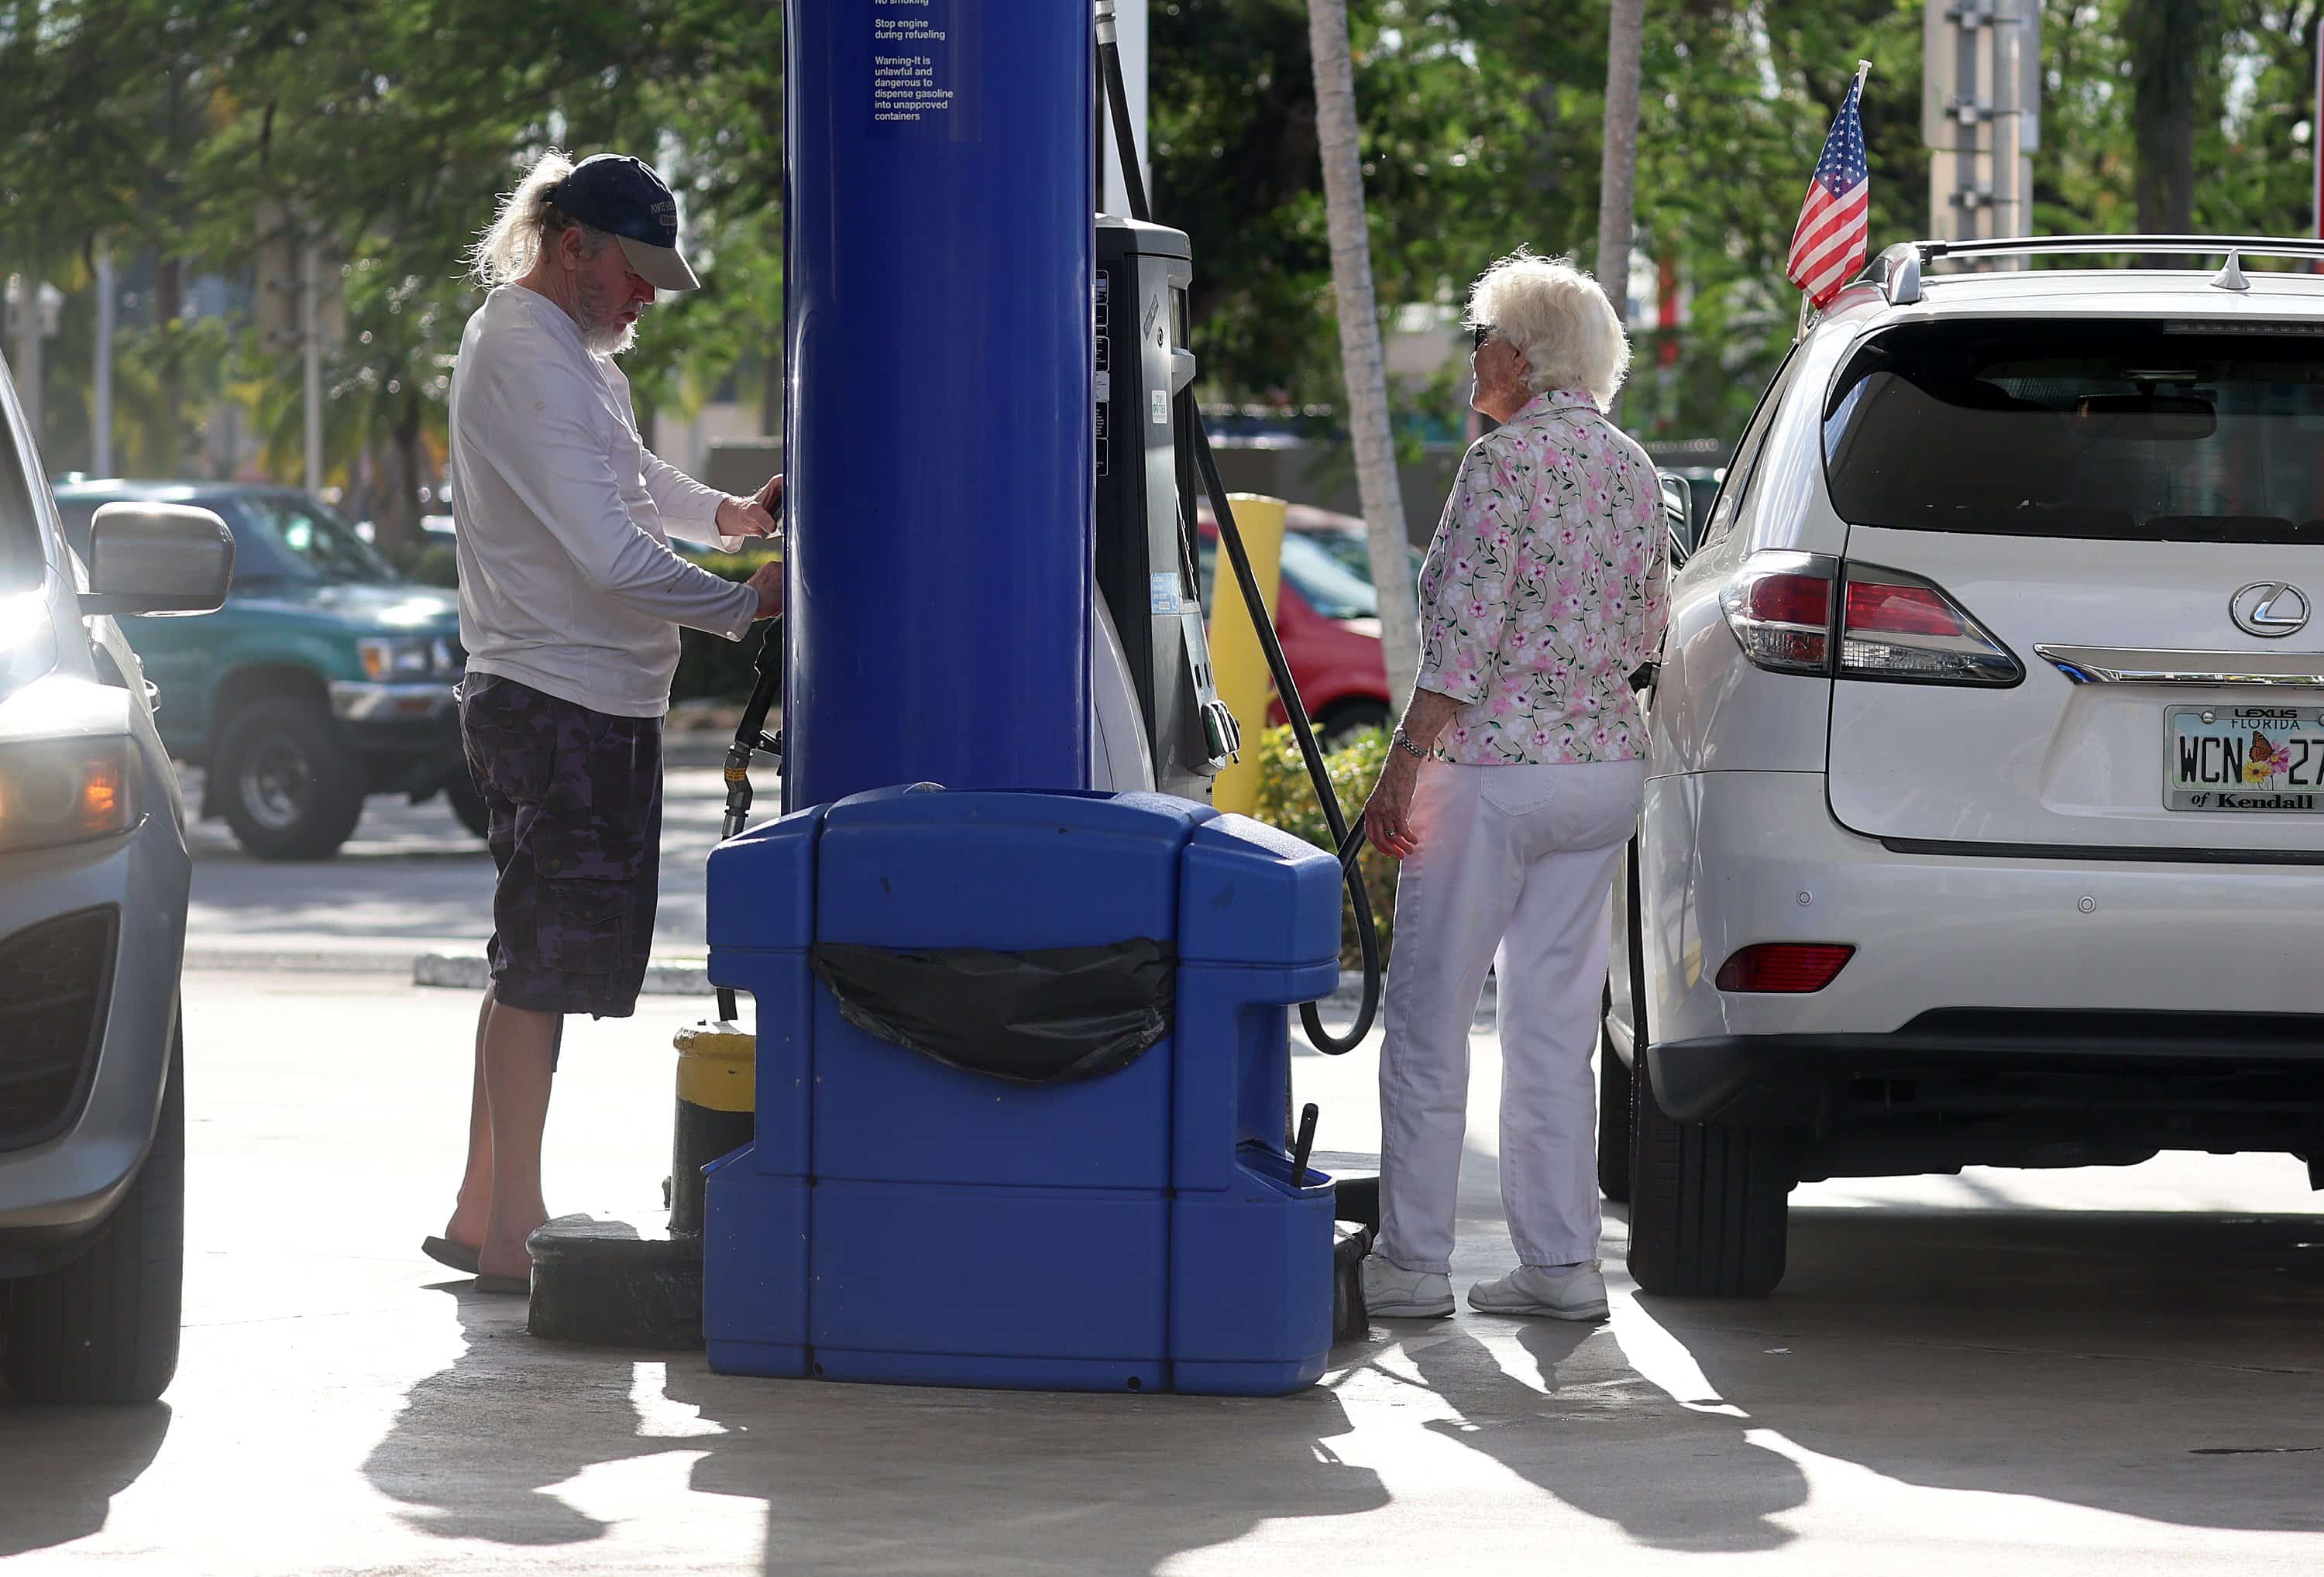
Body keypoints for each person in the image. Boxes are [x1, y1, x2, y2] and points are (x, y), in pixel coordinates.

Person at [422, 151, 786, 1293]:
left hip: (562, 690)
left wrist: (729, 514)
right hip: (561, 693)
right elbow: (606, 547)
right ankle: (513, 1229)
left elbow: (628, 477)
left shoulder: (561, 354)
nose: (642, 299)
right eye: (632, 273)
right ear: (570, 243)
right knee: (542, 963)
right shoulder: (524, 352)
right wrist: (744, 604)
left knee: (527, 952)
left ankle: (486, 1204)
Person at [1357, 251, 1668, 1322]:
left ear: (1525, 356)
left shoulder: (1503, 465)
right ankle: (1562, 1265)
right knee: (1552, 1027)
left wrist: (1400, 772)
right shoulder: (1632, 466)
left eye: (1485, 336)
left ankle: (1409, 1265)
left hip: (1492, 774)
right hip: (1599, 773)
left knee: (1432, 1015)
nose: (1472, 354)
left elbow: (1463, 643)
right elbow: (1645, 631)